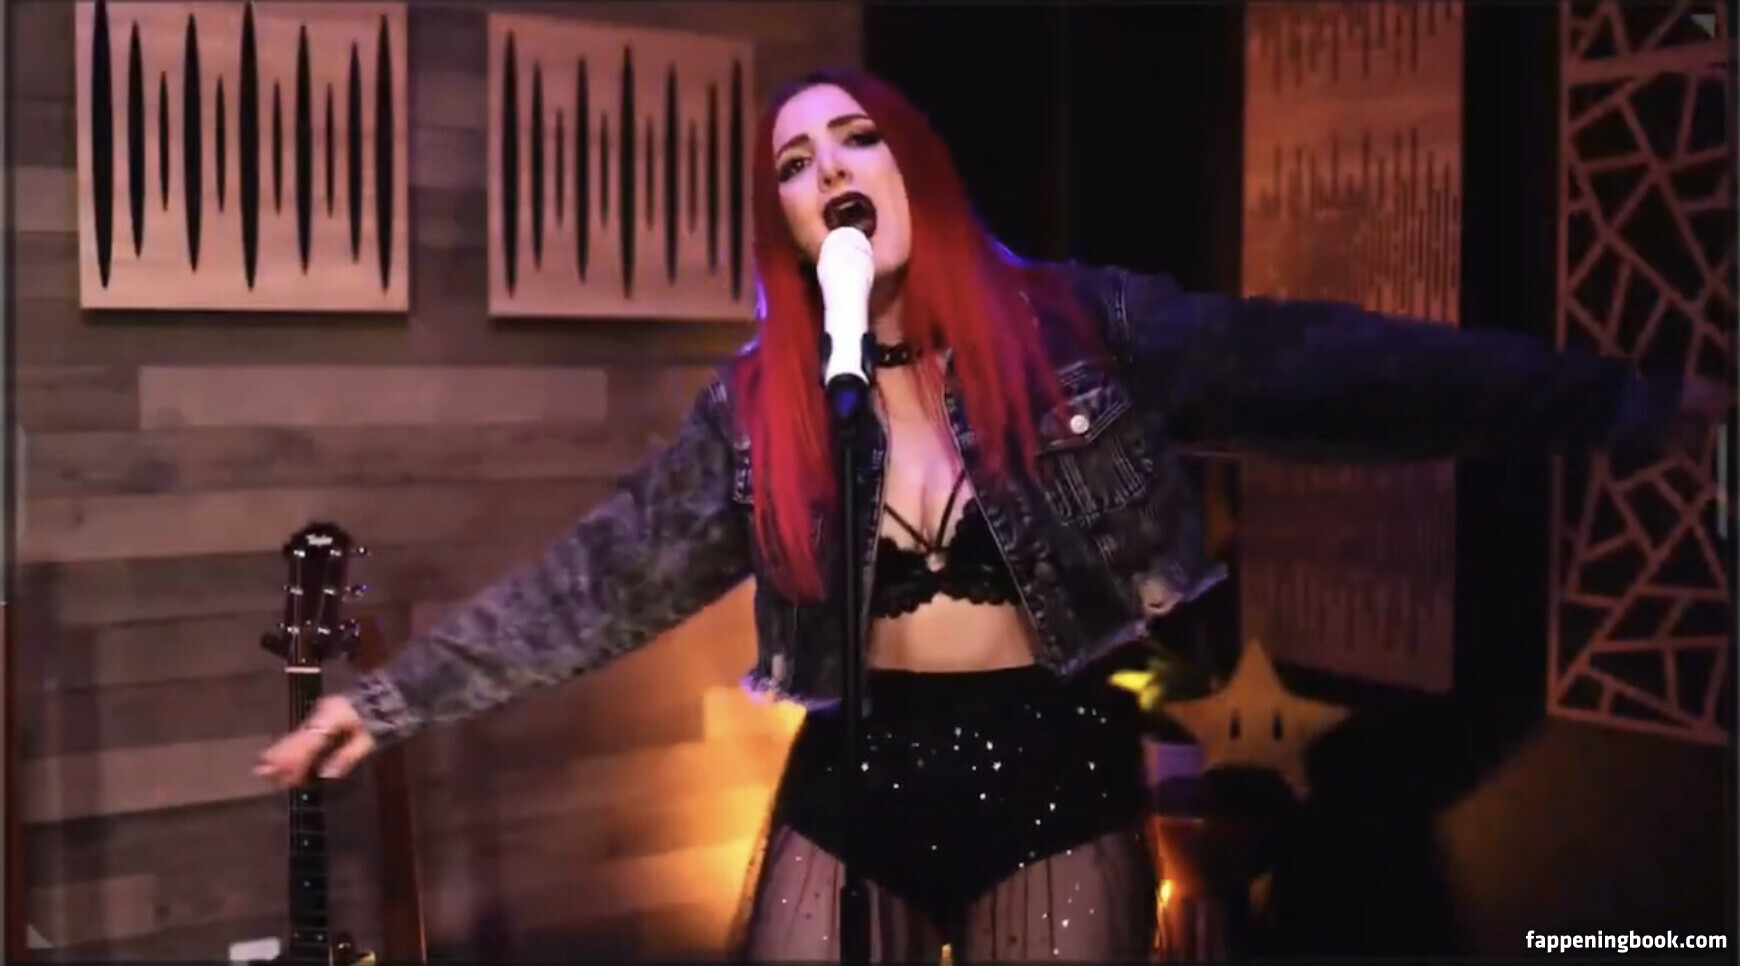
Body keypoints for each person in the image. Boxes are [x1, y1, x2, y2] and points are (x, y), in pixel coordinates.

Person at [256, 68, 1727, 961]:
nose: (828, 173)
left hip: (1051, 775)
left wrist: (1615, 403)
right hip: (853, 780)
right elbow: (602, 578)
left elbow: (1335, 371)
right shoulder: (764, 402)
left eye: (853, 142)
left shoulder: (1081, 329)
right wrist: (386, 701)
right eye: (794, 166)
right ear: (787, 225)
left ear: (914, 168)